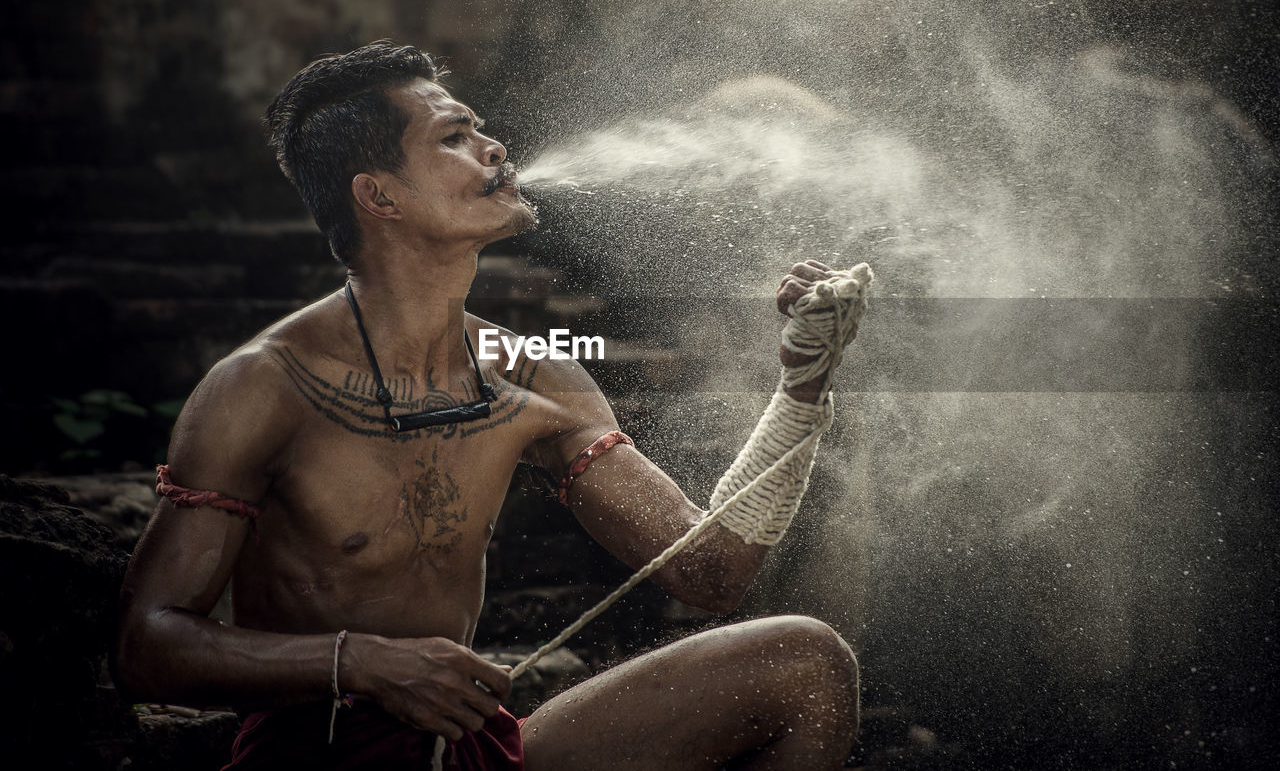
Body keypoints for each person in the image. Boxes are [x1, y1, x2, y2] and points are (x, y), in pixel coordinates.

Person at [115, 41, 864, 770]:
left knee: (806, 662)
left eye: (481, 128)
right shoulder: (263, 385)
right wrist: (363, 663)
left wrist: (801, 385)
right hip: (321, 752)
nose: (495, 148)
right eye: (454, 136)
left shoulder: (537, 379)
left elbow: (710, 573)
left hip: (473, 751)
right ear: (379, 196)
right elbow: (147, 648)